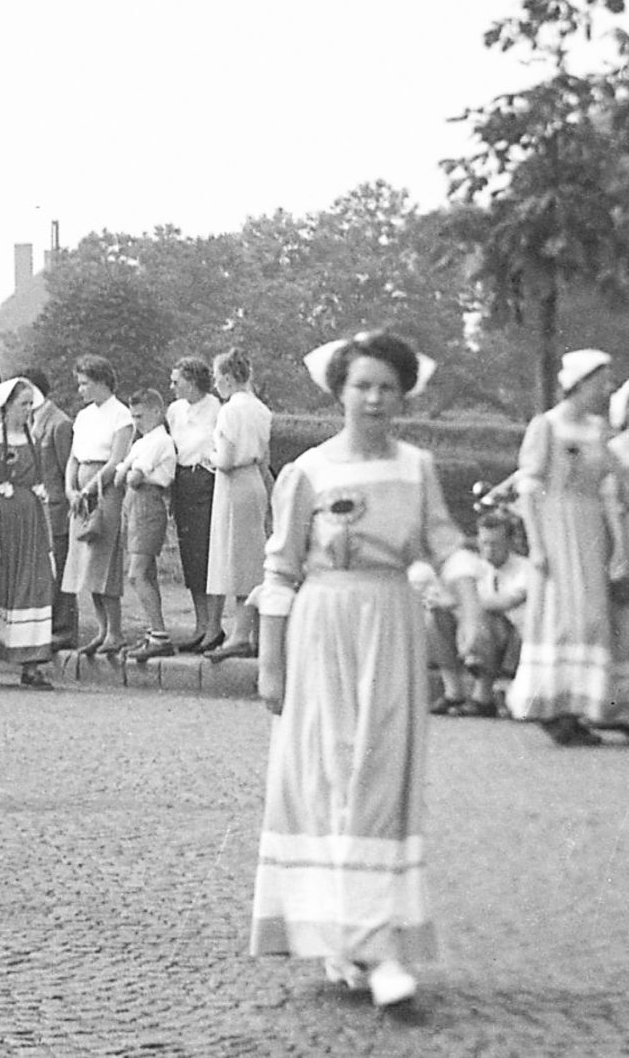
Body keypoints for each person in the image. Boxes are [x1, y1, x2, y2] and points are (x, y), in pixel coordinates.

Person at [250, 331, 474, 1011]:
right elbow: (281, 567)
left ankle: (375, 944)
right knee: (325, 778)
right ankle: (342, 940)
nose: (375, 397)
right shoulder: (310, 470)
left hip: (392, 624)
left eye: (387, 387)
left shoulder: (416, 467)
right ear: (339, 392)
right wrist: (270, 662)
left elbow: (447, 542)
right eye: (362, 385)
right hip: (324, 627)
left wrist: (470, 606)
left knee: (379, 777)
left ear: (401, 394)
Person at [506, 348, 626, 744]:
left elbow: (610, 486)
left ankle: (581, 706)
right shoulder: (547, 426)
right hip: (556, 527)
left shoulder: (598, 430)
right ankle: (550, 707)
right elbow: (529, 486)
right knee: (559, 617)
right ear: (579, 383)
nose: (606, 389)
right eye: (600, 381)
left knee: (592, 617)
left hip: (589, 528)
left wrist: (619, 544)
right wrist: (537, 545)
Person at [0, 378, 58, 688]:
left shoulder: (32, 437)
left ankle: (30, 663)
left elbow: (39, 484)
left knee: (33, 585)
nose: (28, 410)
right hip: (3, 523)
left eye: (31, 404)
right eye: (23, 404)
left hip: (29, 523)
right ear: (6, 407)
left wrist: (44, 530)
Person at [205, 349, 275, 661]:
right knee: (250, 557)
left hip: (234, 485)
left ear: (230, 378)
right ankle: (257, 635)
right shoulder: (261, 410)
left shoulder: (231, 410)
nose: (215, 384)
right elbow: (266, 460)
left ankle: (240, 635)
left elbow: (227, 459)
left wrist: (209, 456)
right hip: (255, 484)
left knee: (238, 561)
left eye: (218, 377)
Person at [65, 355, 134, 657]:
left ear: (101, 381)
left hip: (105, 492)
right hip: (81, 493)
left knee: (104, 560)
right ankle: (101, 628)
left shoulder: (121, 415)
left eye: (85, 384)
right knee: (86, 562)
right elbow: (74, 458)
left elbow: (116, 459)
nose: (80, 390)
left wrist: (91, 489)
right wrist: (72, 489)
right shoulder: (83, 416)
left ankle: (115, 631)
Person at [166, 356, 221, 650]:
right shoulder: (174, 410)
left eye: (178, 381)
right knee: (191, 556)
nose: (172, 386)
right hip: (183, 482)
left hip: (207, 481)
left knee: (208, 554)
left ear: (194, 380)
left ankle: (214, 626)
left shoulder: (216, 409)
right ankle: (200, 625)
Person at [120, 389, 178, 660]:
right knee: (147, 574)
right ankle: (155, 633)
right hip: (135, 504)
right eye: (133, 416)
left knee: (137, 573)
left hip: (148, 504)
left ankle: (159, 634)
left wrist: (134, 472)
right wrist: (131, 472)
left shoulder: (159, 441)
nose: (136, 422)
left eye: (141, 416)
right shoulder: (142, 441)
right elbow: (123, 475)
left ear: (157, 411)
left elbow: (132, 477)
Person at [22, 366, 77, 650]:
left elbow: (68, 466)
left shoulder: (59, 423)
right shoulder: (27, 420)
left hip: (56, 507)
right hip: (35, 508)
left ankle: (64, 628)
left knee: (62, 567)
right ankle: (45, 624)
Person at [457, 511, 530, 717]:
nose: (488, 549)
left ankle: (483, 697)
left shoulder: (525, 569)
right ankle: (454, 692)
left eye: (495, 543)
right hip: (489, 636)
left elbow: (504, 603)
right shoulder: (475, 568)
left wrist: (463, 602)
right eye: (484, 542)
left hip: (518, 639)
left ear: (510, 542)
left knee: (483, 616)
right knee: (438, 617)